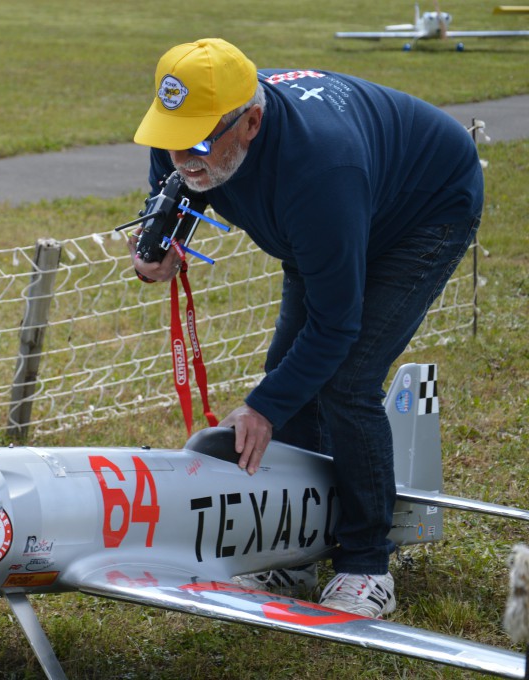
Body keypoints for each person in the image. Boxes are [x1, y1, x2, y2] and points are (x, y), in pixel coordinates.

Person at [129, 39, 482, 618]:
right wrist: (165, 236)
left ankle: (366, 564)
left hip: (424, 208)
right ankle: (295, 546)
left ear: (251, 122)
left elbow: (336, 325)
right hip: (323, 224)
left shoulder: (322, 168)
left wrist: (261, 408)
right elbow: (171, 186)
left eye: (195, 141)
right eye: (165, 135)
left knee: (345, 380)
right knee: (289, 374)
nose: (179, 155)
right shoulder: (187, 142)